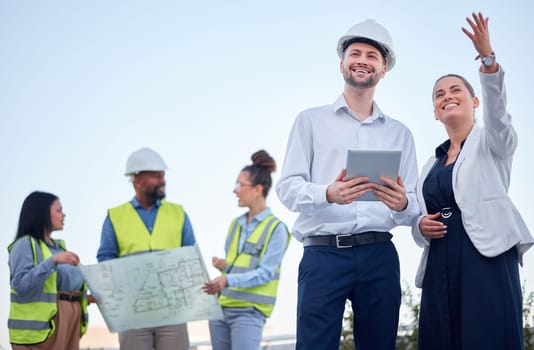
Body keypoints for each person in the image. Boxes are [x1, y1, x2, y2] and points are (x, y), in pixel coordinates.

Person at [276, 19, 419, 350]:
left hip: (379, 254)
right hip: (323, 254)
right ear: (342, 63)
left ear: (383, 70)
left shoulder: (400, 134)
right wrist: (328, 192)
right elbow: (287, 187)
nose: (362, 60)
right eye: (355, 53)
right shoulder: (309, 121)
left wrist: (401, 204)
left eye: (372, 55)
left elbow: (412, 205)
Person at [411, 12, 534, 350]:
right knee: (441, 339)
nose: (446, 96)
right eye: (439, 94)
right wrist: (419, 226)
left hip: (486, 255)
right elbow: (417, 216)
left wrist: (488, 60)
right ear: (435, 111)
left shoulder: (493, 141)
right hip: (439, 261)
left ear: (474, 100)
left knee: (487, 336)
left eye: (455, 90)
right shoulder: (429, 164)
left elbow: (498, 113)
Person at [97, 147, 196, 350]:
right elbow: (106, 259)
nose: (162, 180)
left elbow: (191, 256)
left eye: (162, 175)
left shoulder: (178, 214)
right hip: (133, 313)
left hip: (172, 311)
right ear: (137, 181)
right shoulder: (116, 217)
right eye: (155, 176)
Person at [203, 150, 290, 350]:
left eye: (240, 185)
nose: (235, 190)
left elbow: (266, 273)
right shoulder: (236, 224)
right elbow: (241, 265)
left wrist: (227, 279)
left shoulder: (276, 229)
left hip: (249, 312)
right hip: (221, 309)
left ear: (258, 189)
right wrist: (225, 267)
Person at [8, 191, 89, 350]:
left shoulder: (59, 247)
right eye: (58, 210)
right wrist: (52, 261)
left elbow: (57, 285)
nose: (63, 215)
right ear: (42, 213)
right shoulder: (25, 244)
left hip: (70, 321)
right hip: (43, 328)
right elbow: (20, 286)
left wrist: (86, 298)